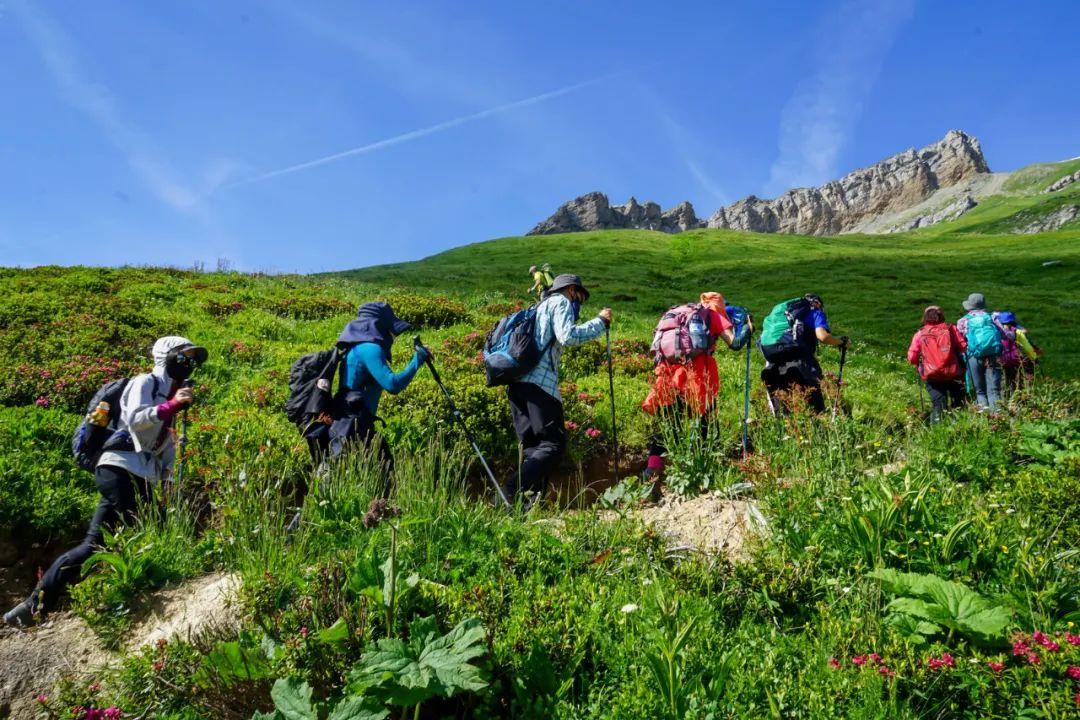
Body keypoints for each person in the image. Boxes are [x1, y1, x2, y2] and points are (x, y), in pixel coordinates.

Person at [4, 336, 207, 627]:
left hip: (140, 473)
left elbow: (166, 442)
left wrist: (168, 477)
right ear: (167, 356)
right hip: (118, 467)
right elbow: (136, 419)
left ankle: (31, 606)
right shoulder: (144, 383)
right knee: (155, 528)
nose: (189, 364)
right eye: (184, 356)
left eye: (193, 359)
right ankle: (139, 594)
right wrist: (171, 406)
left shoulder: (173, 393)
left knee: (93, 545)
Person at [502, 274, 612, 508]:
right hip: (541, 384)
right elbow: (568, 336)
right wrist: (600, 322)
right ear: (572, 290)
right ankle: (510, 490)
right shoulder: (560, 302)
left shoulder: (538, 306)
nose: (579, 304)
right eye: (580, 298)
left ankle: (524, 508)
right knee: (553, 446)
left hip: (517, 384)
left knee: (534, 449)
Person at [307, 302, 429, 497]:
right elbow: (393, 384)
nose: (393, 336)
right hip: (351, 424)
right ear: (379, 325)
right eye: (391, 331)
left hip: (353, 421)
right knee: (330, 482)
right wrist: (417, 360)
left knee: (381, 472)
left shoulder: (354, 349)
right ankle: (305, 519)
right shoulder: (371, 349)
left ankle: (377, 514)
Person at [641, 292, 752, 484]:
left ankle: (650, 475)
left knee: (667, 428)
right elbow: (735, 343)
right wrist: (749, 328)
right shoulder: (713, 315)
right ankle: (704, 473)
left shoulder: (681, 314)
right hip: (696, 377)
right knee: (707, 426)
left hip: (668, 376)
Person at [760, 293, 849, 415]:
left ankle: (782, 430)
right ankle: (819, 427)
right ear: (818, 304)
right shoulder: (815, 311)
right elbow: (822, 336)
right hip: (799, 359)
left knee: (783, 408)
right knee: (815, 404)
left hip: (772, 358)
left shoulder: (782, 312)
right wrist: (841, 342)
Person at [907, 306, 967, 422]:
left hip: (932, 375)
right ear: (942, 316)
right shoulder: (951, 329)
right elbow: (963, 347)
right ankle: (960, 425)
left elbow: (912, 358)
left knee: (939, 404)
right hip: (954, 372)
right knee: (958, 402)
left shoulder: (920, 334)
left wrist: (920, 362)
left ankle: (938, 430)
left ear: (925, 318)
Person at [956, 293, 1002, 412]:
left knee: (979, 391)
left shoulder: (963, 321)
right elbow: (1004, 334)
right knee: (994, 390)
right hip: (993, 355)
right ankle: (998, 418)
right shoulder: (992, 317)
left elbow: (961, 340)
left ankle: (984, 418)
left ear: (969, 306)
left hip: (973, 356)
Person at [993, 310, 1040, 395]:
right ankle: (1018, 398)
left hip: (1002, 361)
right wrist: (1035, 358)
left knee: (1005, 382)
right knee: (1017, 381)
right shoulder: (1018, 332)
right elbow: (1028, 348)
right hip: (1016, 361)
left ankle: (1005, 399)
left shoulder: (997, 333)